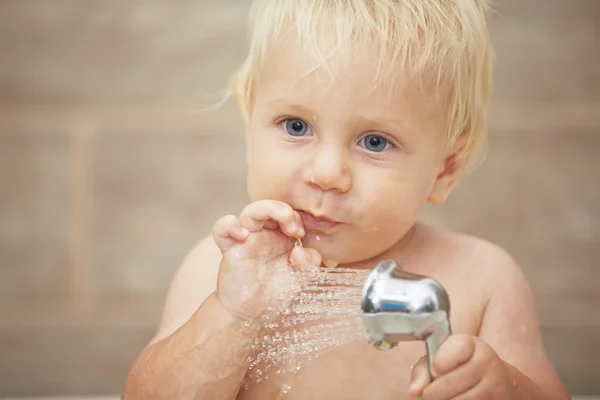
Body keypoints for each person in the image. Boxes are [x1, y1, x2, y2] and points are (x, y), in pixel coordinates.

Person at [123, 0, 570, 399]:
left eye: (374, 141)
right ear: (249, 128)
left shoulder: (482, 281)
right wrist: (233, 316)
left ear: (445, 168)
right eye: (296, 126)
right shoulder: (218, 273)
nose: (327, 175)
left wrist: (506, 388)